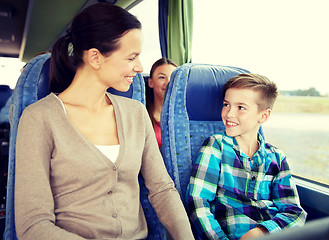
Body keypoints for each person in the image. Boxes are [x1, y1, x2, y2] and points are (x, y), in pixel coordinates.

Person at [14, 3, 194, 240]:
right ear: (95, 58)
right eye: (132, 57)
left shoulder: (136, 114)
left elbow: (162, 190)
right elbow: (33, 225)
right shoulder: (39, 118)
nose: (139, 68)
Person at [186, 73, 307, 240]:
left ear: (263, 115)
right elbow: (198, 203)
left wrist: (262, 231)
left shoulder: (276, 157)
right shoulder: (216, 146)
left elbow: (294, 212)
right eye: (226, 105)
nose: (229, 114)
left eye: (240, 107)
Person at [146, 57, 177, 148]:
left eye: (173, 78)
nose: (168, 82)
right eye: (162, 77)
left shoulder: (185, 117)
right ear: (151, 82)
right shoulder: (143, 116)